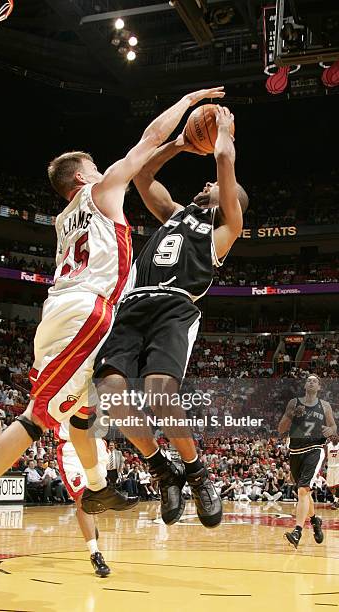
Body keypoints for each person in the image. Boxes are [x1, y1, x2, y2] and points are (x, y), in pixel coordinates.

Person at [0, 84, 226, 554]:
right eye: (93, 166)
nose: (103, 169)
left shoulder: (62, 218)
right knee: (37, 416)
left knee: (83, 412)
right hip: (88, 312)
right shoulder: (102, 191)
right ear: (81, 178)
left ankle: (96, 487)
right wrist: (187, 107)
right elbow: (149, 139)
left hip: (64, 310)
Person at [92, 106, 247, 529]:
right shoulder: (175, 214)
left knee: (160, 392)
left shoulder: (224, 228)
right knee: (109, 393)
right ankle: (163, 470)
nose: (209, 184)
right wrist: (179, 144)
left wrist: (224, 135)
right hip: (134, 302)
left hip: (175, 306)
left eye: (215, 187)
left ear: (228, 201)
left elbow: (224, 165)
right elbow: (143, 177)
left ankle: (197, 473)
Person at [278, 374, 337, 548]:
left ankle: (297, 532)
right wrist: (291, 415)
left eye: (314, 381)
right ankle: (314, 520)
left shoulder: (325, 406)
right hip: (295, 451)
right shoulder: (294, 403)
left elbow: (333, 428)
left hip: (315, 449)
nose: (311, 382)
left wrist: (330, 430)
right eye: (308, 380)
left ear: (319, 387)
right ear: (305, 385)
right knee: (304, 493)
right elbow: (281, 428)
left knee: (303, 489)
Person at [55, 422, 110, 577]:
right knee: (82, 500)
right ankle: (95, 553)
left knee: (96, 495)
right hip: (72, 447)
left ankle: (90, 524)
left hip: (97, 444)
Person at [326, 434, 339, 509]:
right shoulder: (328, 446)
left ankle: (335, 501)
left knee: (338, 485)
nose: (334, 438)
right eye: (333, 437)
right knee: (330, 486)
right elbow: (325, 456)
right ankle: (336, 499)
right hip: (330, 467)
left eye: (335, 436)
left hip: (338, 467)